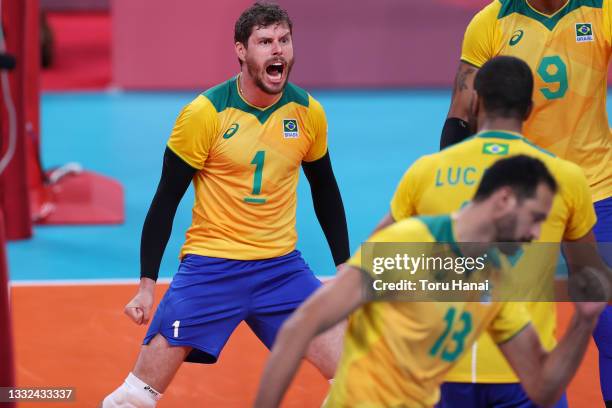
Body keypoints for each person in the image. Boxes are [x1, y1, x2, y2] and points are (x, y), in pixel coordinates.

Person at [101, 3, 349, 407]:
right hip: (211, 268)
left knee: (355, 380)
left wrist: (342, 267)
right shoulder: (205, 113)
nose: (277, 51)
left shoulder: (308, 113)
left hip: (281, 270)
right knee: (134, 397)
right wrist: (147, 285)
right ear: (240, 50)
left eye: (284, 40)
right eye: (265, 42)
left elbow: (325, 187)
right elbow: (166, 199)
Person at [254, 153, 606, 408]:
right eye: (534, 218)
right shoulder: (410, 245)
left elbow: (542, 388)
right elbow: (300, 328)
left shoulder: (492, 280)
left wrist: (584, 320)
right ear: (504, 200)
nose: (536, 233)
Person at [371, 55, 603, 407]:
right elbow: (590, 277)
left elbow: (378, 262)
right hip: (526, 371)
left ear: (476, 100)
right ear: (529, 109)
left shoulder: (427, 171)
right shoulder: (566, 177)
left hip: (442, 369)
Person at [441, 1, 612, 404]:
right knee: (501, 322)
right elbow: (461, 114)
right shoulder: (492, 22)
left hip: (595, 190)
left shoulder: (600, 10)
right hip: (519, 201)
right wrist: (459, 194)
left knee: (609, 323)